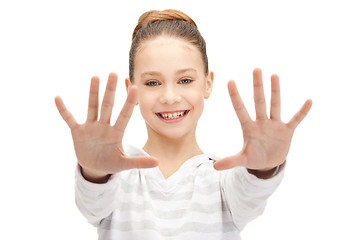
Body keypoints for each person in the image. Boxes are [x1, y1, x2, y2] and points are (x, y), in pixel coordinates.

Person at [55, 9, 312, 240]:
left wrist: (263, 169)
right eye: (152, 83)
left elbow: (250, 196)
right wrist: (94, 173)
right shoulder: (115, 176)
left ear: (208, 83)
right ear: (131, 89)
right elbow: (92, 205)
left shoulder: (224, 179)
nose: (169, 97)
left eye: (185, 80)